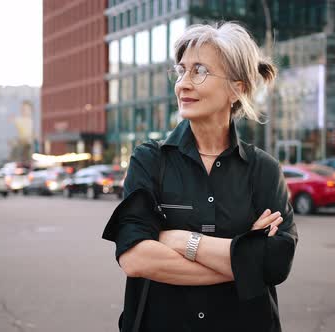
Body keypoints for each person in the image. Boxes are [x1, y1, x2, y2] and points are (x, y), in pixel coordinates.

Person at [102, 22, 298, 332]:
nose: (183, 84)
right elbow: (135, 258)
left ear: (238, 88)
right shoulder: (149, 160)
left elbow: (274, 263)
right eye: (180, 71)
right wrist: (244, 260)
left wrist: (182, 240)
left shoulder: (264, 170)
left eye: (199, 71)